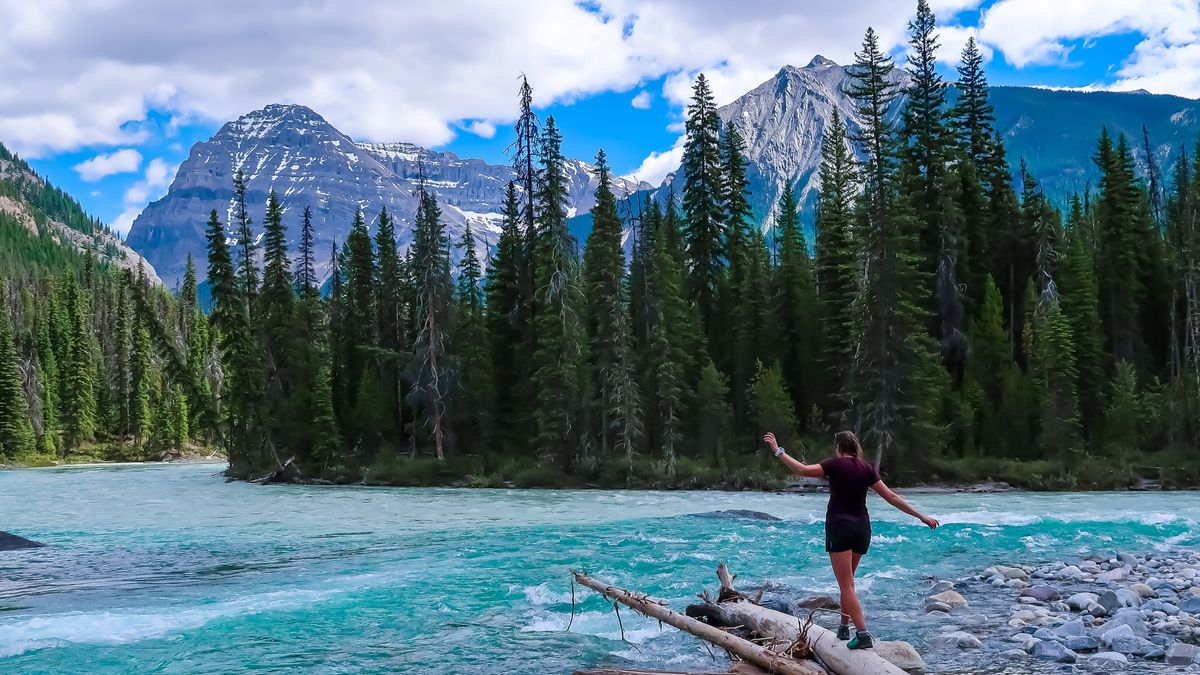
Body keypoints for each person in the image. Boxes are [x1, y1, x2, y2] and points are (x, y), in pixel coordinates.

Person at [763, 430, 939, 650]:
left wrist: (778, 451)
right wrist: (921, 516)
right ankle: (844, 627)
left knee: (846, 584)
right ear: (855, 447)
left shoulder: (834, 465)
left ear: (838, 448)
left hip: (840, 528)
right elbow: (891, 497)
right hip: (862, 530)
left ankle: (862, 634)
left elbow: (802, 470)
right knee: (849, 582)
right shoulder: (866, 469)